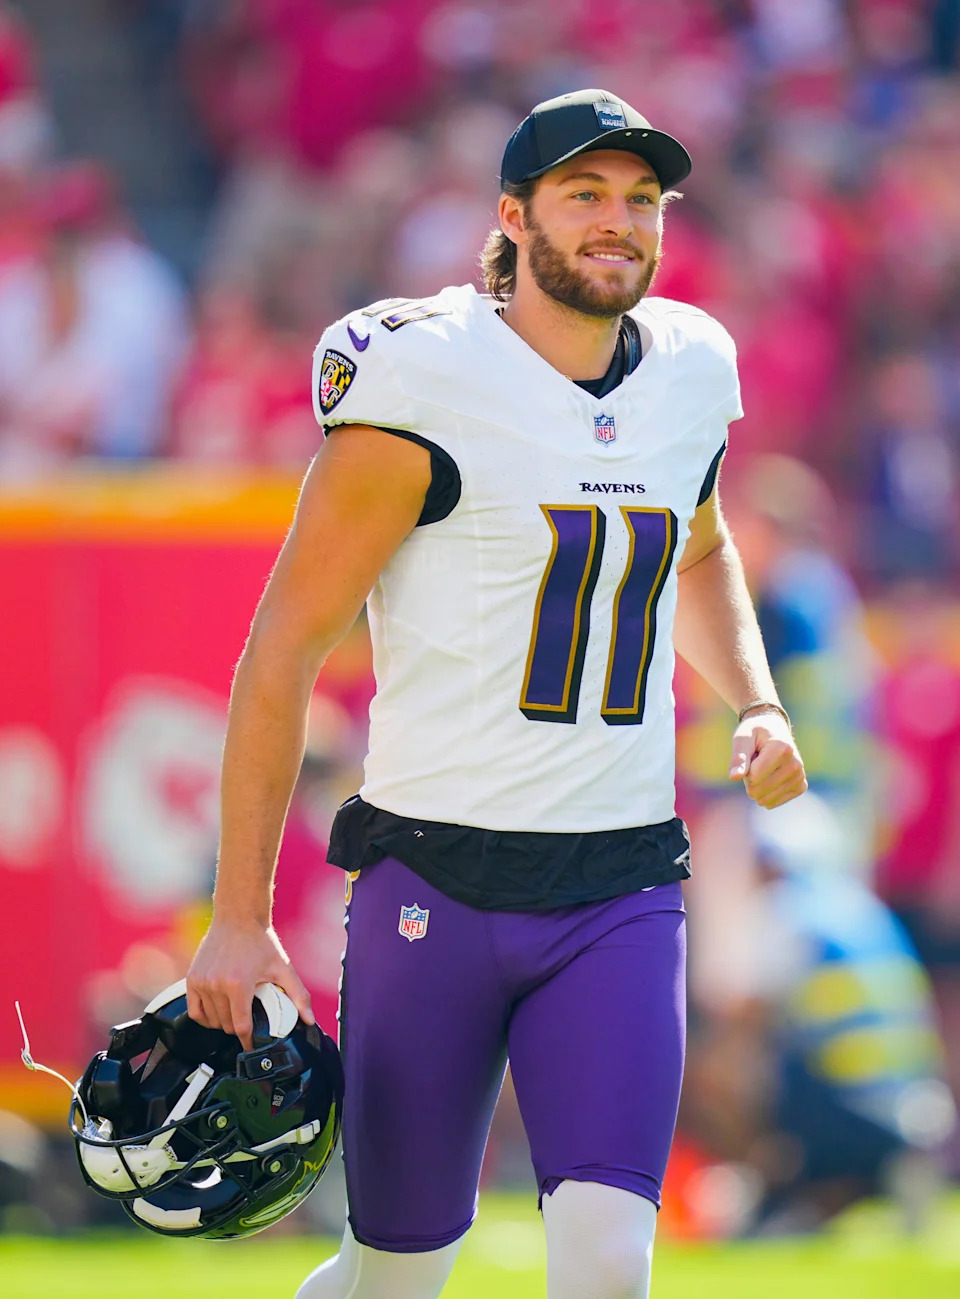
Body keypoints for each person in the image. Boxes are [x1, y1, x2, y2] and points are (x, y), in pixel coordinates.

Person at [186, 89, 807, 1299]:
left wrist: (757, 700)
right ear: (513, 217)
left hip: (621, 881)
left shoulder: (692, 367)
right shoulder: (423, 381)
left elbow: (702, 547)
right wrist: (238, 912)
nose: (618, 222)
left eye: (641, 199)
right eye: (585, 195)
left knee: (607, 1257)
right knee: (398, 1274)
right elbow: (282, 653)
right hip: (438, 876)